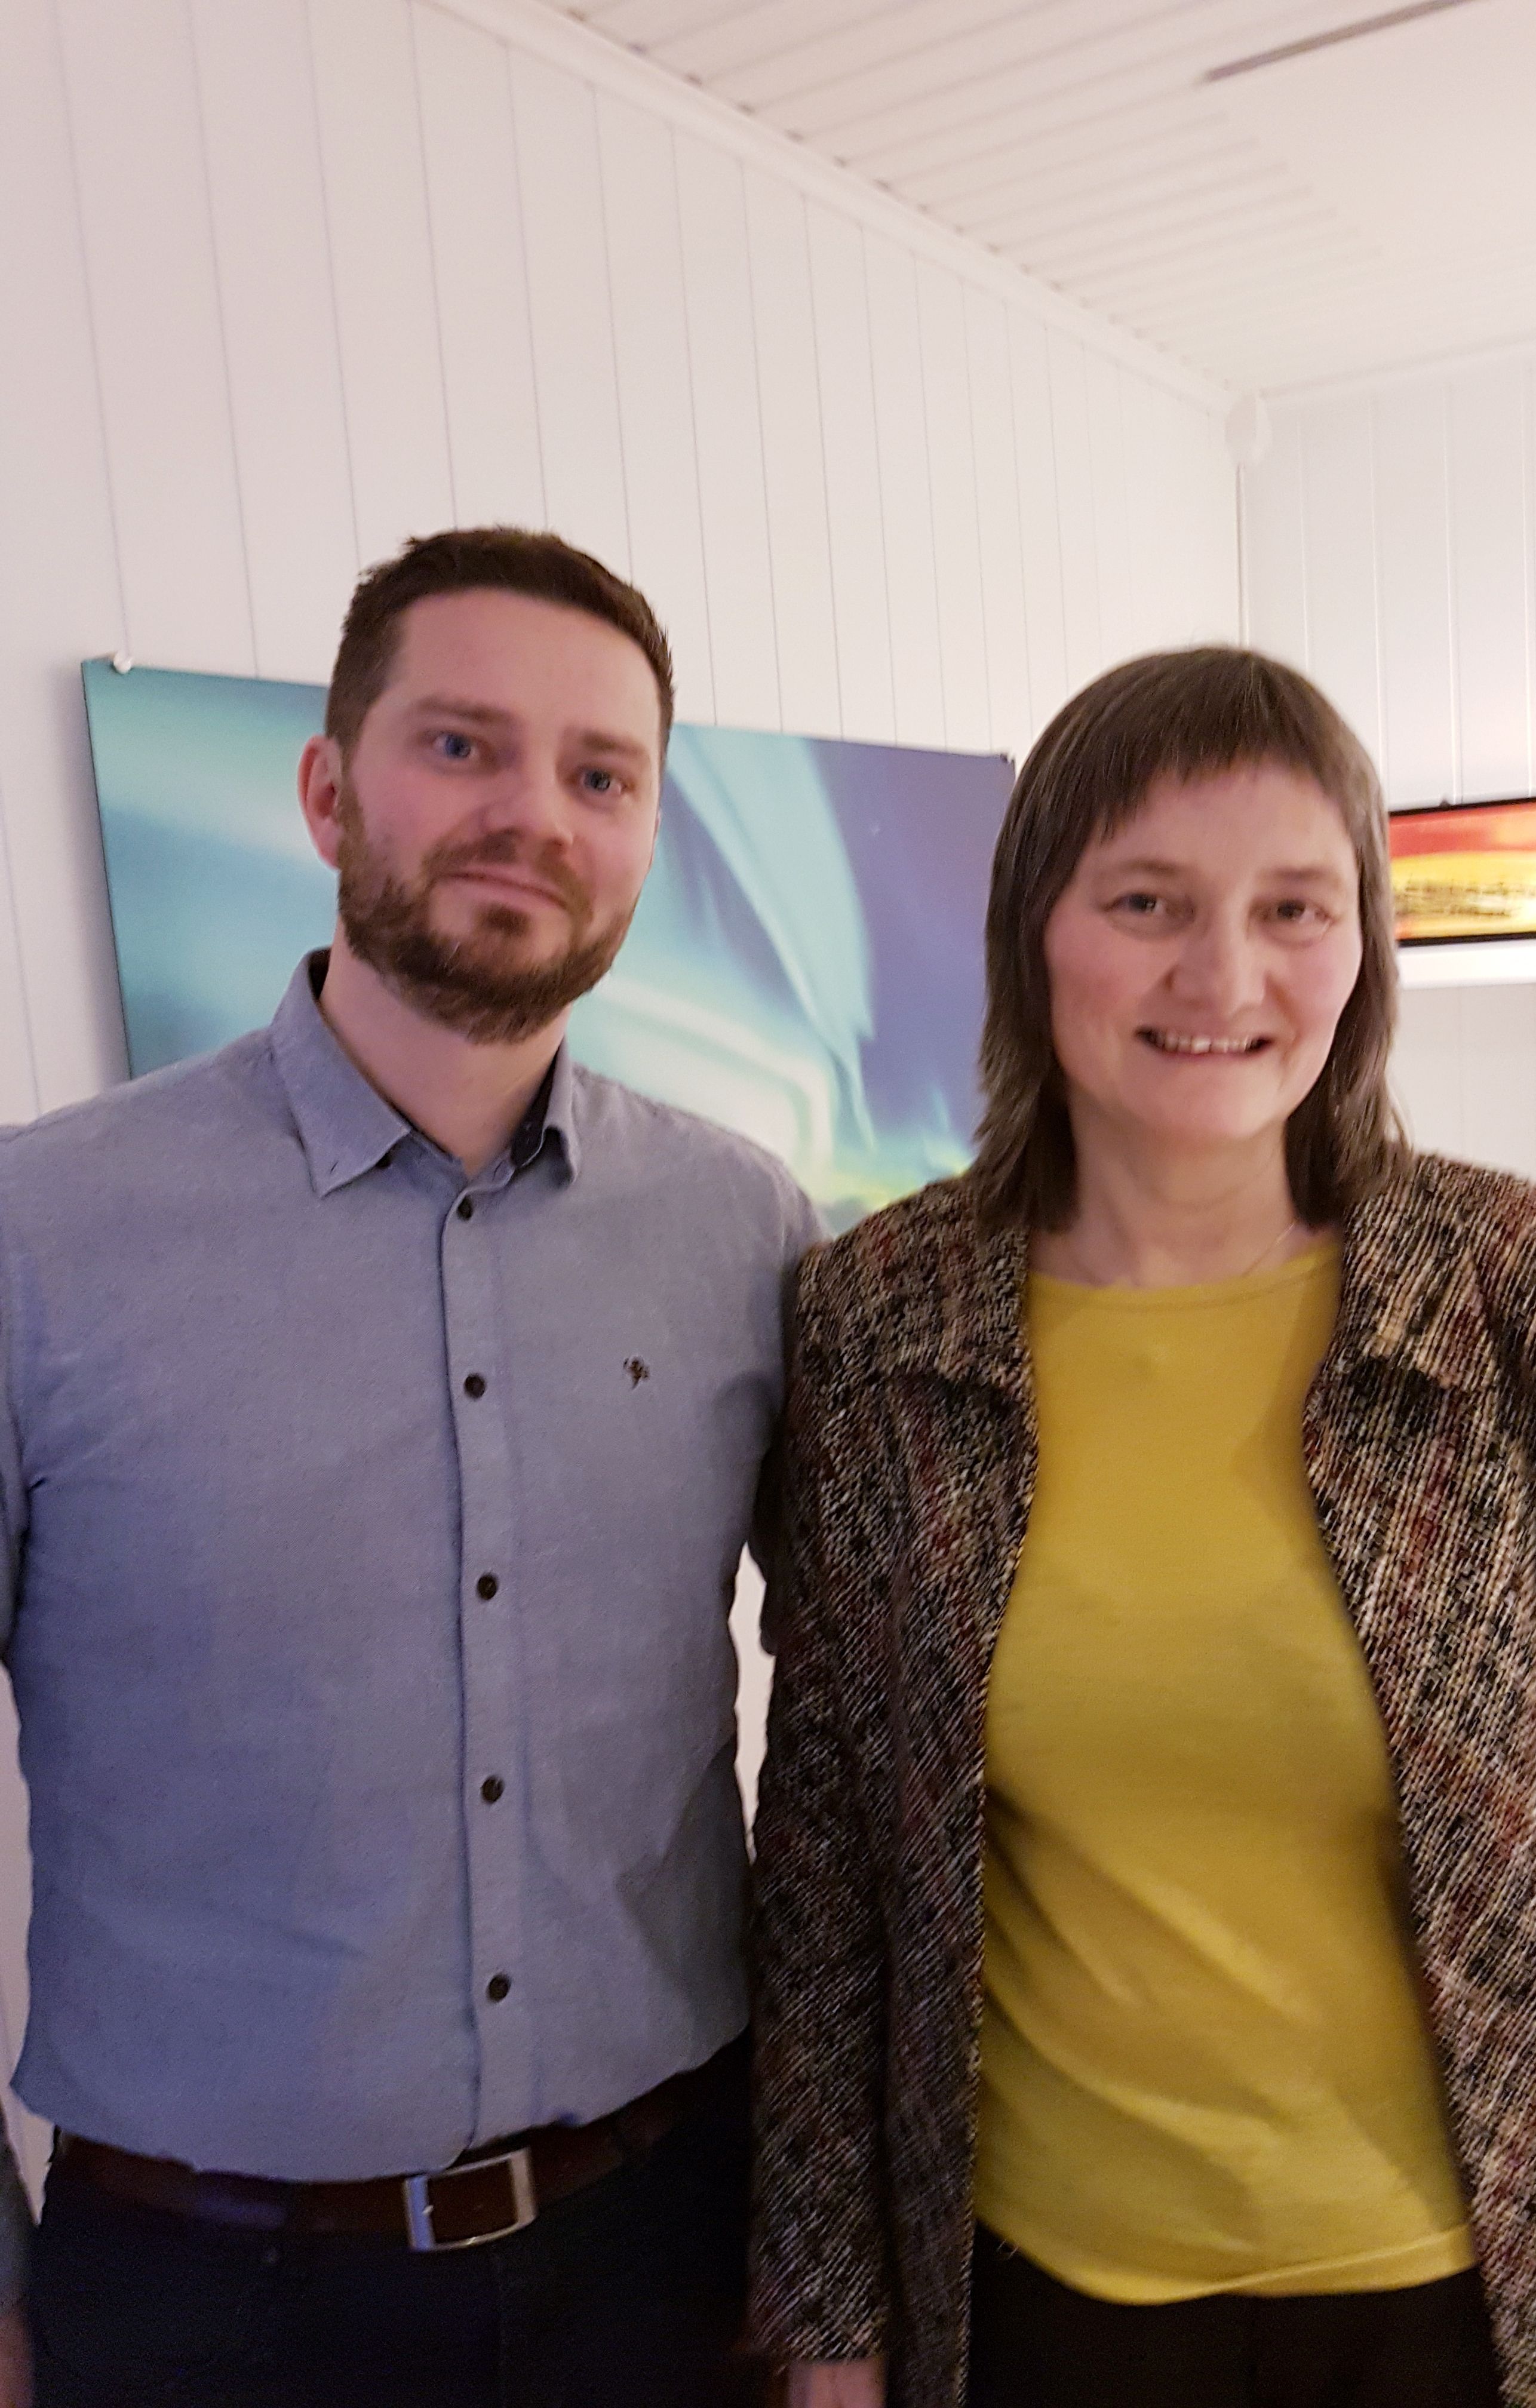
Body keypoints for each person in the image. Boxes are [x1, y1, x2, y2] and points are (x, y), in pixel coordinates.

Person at [748, 648, 1536, 2408]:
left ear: (1363, 948)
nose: (1224, 977)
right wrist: (830, 2329)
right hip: (1036, 2313)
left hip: (1477, 2310)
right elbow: (828, 1880)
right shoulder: (880, 1325)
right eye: (1147, 901)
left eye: (1294, 909)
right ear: (1032, 932)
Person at [0, 527, 819, 2407]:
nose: (533, 814)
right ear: (325, 790)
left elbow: (868, 1731)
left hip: (664, 2262)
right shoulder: (39, 1240)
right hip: (203, 2309)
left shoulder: (744, 1233)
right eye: (462, 745)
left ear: (648, 837)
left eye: (601, 774)